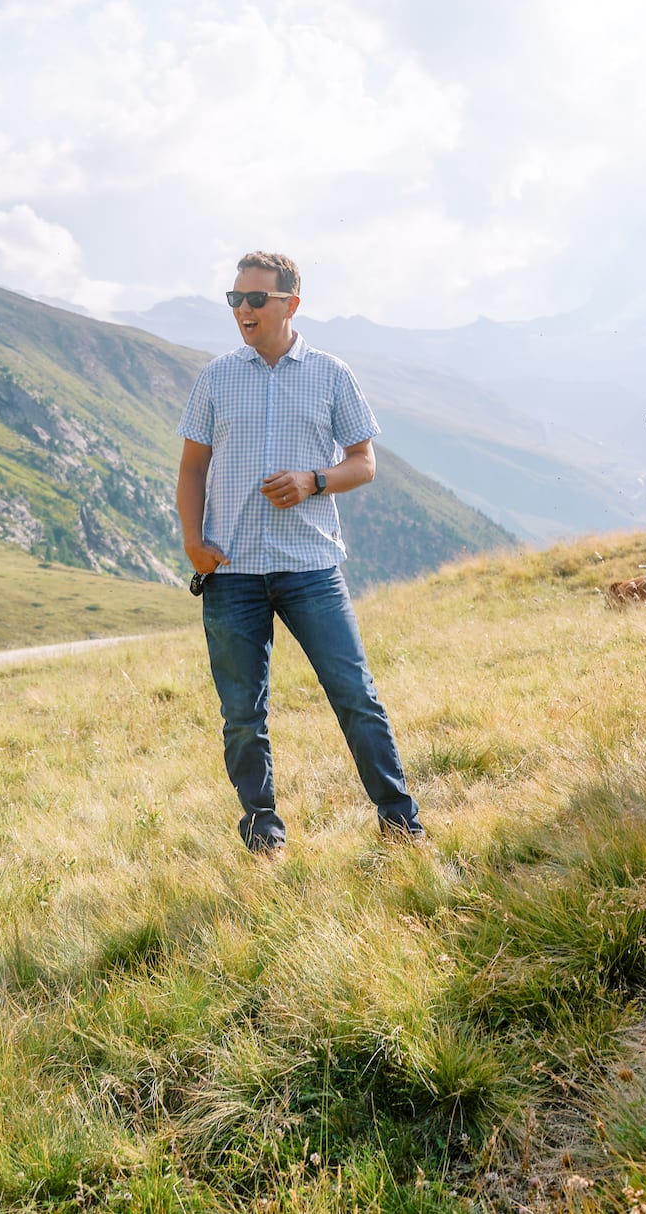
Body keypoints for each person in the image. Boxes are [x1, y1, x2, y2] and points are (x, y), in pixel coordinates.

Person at [176, 250, 424, 855]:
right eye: (235, 300)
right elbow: (191, 470)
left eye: (255, 299)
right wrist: (192, 543)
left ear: (290, 304)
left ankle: (401, 825)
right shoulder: (216, 377)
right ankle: (264, 835)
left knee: (356, 697)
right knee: (242, 716)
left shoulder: (332, 374)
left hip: (311, 567)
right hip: (231, 573)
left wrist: (314, 480)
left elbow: (364, 463)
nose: (243, 310)